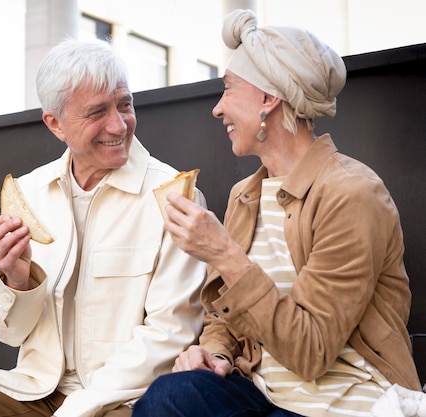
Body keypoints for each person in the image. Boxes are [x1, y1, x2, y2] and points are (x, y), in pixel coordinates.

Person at [0, 39, 206, 417]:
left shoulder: (173, 198)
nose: (119, 125)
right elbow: (9, 333)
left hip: (125, 399)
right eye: (96, 112)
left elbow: (170, 334)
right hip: (33, 390)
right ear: (55, 124)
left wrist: (78, 408)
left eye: (125, 104)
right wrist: (17, 281)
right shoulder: (29, 194)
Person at [132, 8, 421, 417]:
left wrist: (224, 255)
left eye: (229, 89)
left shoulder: (352, 193)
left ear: (268, 99)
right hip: (261, 395)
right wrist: (215, 353)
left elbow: (310, 352)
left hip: (344, 404)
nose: (218, 109)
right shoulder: (245, 195)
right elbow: (224, 317)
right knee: (169, 396)